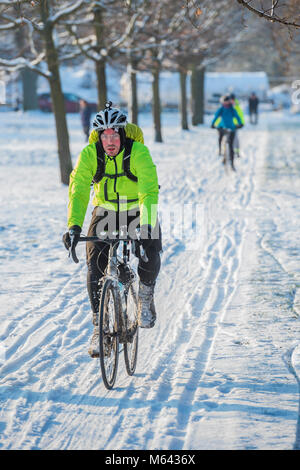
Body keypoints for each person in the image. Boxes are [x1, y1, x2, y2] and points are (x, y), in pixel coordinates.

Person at [63, 102, 162, 358]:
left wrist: (146, 225)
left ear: (122, 133)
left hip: (136, 210)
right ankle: (99, 327)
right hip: (105, 211)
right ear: (98, 136)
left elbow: (149, 192)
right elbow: (79, 188)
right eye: (104, 135)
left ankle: (145, 298)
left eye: (114, 134)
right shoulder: (90, 154)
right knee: (95, 262)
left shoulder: (138, 152)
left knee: (149, 248)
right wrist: (74, 225)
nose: (109, 140)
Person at [211, 94, 243, 171]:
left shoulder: (232, 109)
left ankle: (232, 163)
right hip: (222, 127)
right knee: (221, 138)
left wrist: (240, 123)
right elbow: (216, 117)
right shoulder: (221, 109)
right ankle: (220, 150)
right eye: (225, 102)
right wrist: (213, 124)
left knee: (231, 146)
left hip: (232, 128)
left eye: (227, 102)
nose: (226, 103)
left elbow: (237, 117)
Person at [230, 93, 245, 158]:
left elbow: (241, 116)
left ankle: (237, 151)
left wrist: (242, 123)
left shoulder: (237, 107)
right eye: (231, 99)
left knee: (235, 138)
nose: (232, 101)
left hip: (235, 125)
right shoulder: (227, 106)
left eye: (233, 99)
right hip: (228, 124)